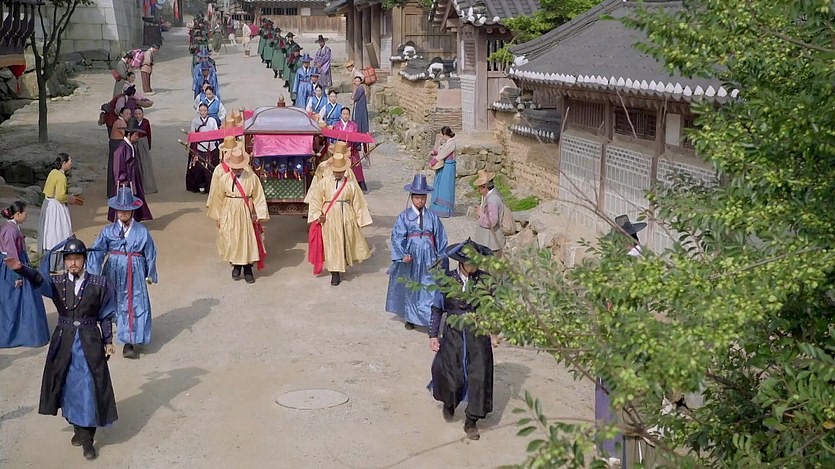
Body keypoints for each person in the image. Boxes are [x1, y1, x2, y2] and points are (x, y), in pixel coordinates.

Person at [4, 237, 117, 460]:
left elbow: (105, 314)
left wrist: (108, 340)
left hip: (89, 341)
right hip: (64, 341)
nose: (73, 263)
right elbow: (39, 280)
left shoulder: (99, 283)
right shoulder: (57, 283)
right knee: (66, 386)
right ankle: (77, 426)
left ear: (84, 260)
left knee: (89, 386)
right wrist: (21, 268)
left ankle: (87, 438)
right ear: (64, 261)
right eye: (69, 259)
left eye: (77, 258)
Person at [428, 239, 497, 440]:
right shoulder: (447, 280)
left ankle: (471, 420)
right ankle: (449, 402)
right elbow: (437, 308)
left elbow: (493, 309)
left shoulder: (485, 280)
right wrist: (433, 335)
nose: (474, 266)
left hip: (478, 333)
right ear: (461, 262)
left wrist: (493, 332)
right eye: (470, 262)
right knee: (450, 373)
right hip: (453, 332)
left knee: (479, 375)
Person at [87, 187, 157, 360]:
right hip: (113, 270)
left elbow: (150, 252)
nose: (123, 213)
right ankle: (116, 332)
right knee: (115, 302)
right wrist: (93, 273)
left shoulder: (142, 231)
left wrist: (150, 273)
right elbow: (97, 251)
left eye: (126, 210)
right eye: (120, 210)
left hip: (135, 271)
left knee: (135, 302)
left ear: (132, 211)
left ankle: (129, 342)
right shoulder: (108, 231)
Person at [386, 174, 449, 330]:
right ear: (412, 197)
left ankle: (430, 318)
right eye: (417, 198)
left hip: (429, 257)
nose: (420, 201)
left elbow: (441, 237)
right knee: (411, 286)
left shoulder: (432, 217)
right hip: (411, 257)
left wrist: (440, 256)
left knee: (429, 285)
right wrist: (402, 254)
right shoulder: (404, 217)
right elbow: (397, 237)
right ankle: (410, 317)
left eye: (423, 198)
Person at [306, 152, 372, 286]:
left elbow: (358, 202)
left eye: (340, 171)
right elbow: (315, 199)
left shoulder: (351, 184)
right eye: (336, 171)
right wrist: (318, 215)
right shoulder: (324, 183)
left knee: (345, 240)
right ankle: (334, 272)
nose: (338, 174)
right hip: (329, 217)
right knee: (331, 243)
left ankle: (343, 263)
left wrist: (361, 219)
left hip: (347, 215)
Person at [206, 148, 269, 284]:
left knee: (247, 239)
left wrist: (258, 214)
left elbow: (258, 196)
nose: (237, 170)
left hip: (246, 211)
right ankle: (236, 265)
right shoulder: (224, 179)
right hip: (229, 210)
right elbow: (218, 198)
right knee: (232, 238)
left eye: (239, 168)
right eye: (234, 168)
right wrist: (218, 217)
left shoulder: (251, 178)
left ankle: (248, 269)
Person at [0, 201, 50, 348]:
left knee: (23, 301)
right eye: (25, 213)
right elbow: (11, 255)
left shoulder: (13, 227)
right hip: (13, 268)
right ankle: (15, 335)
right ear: (17, 214)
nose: (26, 215)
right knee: (13, 303)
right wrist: (17, 276)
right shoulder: (10, 231)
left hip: (20, 263)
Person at [109, 119, 153, 222]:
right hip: (125, 182)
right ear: (129, 135)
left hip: (133, 179)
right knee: (125, 204)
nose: (137, 137)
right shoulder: (121, 149)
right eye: (136, 134)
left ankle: (133, 220)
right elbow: (117, 168)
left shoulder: (130, 146)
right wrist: (123, 182)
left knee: (134, 201)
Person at [39, 154, 78, 262]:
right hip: (56, 207)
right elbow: (60, 196)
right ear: (64, 163)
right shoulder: (61, 177)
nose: (71, 163)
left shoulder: (53, 172)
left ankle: (47, 259)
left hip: (48, 203)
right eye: (70, 161)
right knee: (59, 232)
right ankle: (57, 262)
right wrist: (70, 199)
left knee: (49, 233)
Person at [472, 170, 506, 256]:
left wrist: (481, 214)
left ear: (484, 187)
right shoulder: (492, 195)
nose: (478, 190)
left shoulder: (492, 200)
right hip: (489, 242)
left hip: (490, 243)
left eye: (479, 187)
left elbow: (492, 222)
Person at [332, 107, 367, 191]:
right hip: (340, 150)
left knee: (356, 166)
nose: (345, 116)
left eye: (347, 114)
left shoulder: (354, 126)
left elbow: (357, 137)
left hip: (351, 149)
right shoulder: (336, 125)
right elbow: (333, 138)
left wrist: (353, 146)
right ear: (341, 115)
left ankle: (357, 183)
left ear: (349, 115)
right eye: (344, 114)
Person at [188, 103, 220, 193]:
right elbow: (193, 133)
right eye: (201, 111)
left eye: (204, 111)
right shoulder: (195, 121)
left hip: (210, 147)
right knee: (199, 167)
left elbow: (216, 132)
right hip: (199, 147)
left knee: (210, 167)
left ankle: (210, 186)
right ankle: (200, 185)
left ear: (207, 111)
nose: (203, 112)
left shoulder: (212, 121)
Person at [428, 126, 458, 218]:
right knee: (440, 186)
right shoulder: (448, 143)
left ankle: (444, 209)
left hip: (448, 168)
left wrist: (433, 161)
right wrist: (434, 152)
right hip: (445, 166)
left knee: (445, 187)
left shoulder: (451, 144)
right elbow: (441, 150)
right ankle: (437, 208)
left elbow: (443, 154)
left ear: (444, 134)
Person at [107, 107, 132, 198]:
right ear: (121, 114)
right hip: (117, 146)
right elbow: (126, 136)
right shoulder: (121, 123)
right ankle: (116, 191)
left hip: (115, 144)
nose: (129, 116)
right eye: (127, 114)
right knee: (117, 168)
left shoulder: (119, 122)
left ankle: (113, 191)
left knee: (114, 167)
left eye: (130, 114)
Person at [133, 108, 158, 195]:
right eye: (136, 114)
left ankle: (149, 187)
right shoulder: (132, 122)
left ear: (142, 114)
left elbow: (149, 134)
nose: (137, 116)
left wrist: (148, 146)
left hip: (143, 142)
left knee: (145, 164)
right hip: (135, 143)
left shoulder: (146, 122)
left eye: (139, 114)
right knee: (136, 164)